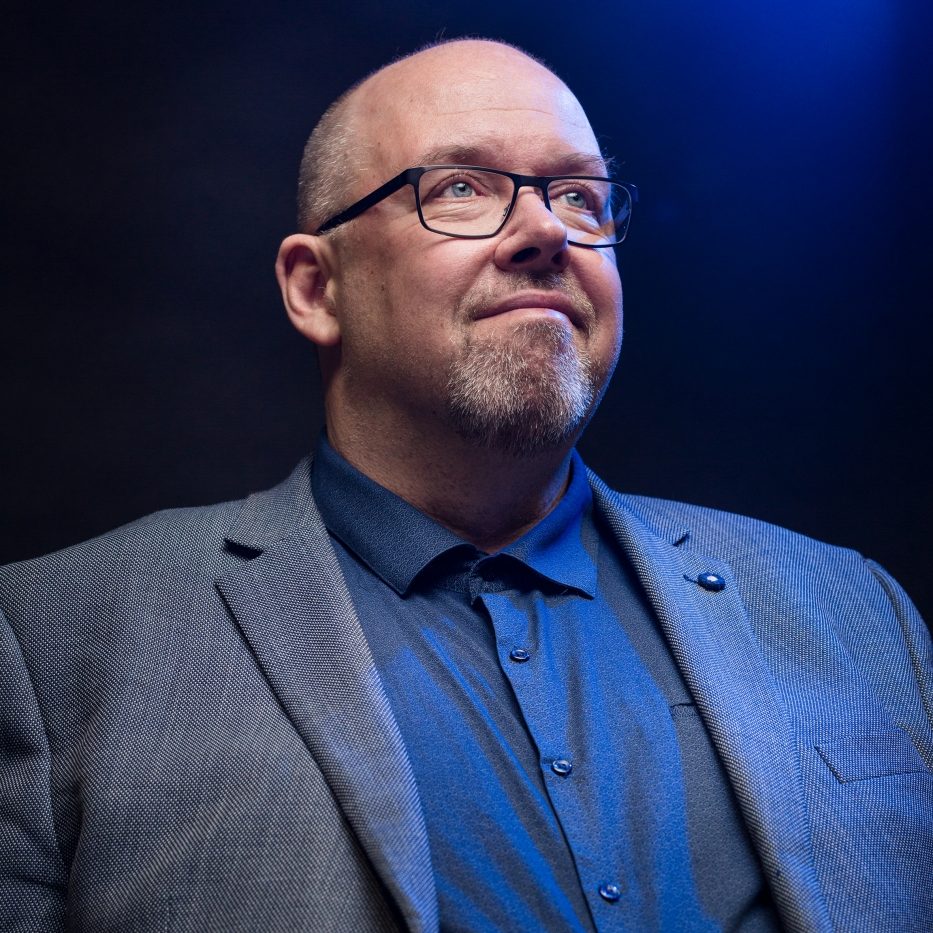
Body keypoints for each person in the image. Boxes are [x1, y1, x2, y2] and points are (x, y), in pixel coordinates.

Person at [1, 38, 930, 933]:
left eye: (578, 195)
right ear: (316, 288)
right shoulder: (52, 645)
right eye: (459, 187)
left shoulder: (854, 609)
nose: (546, 231)